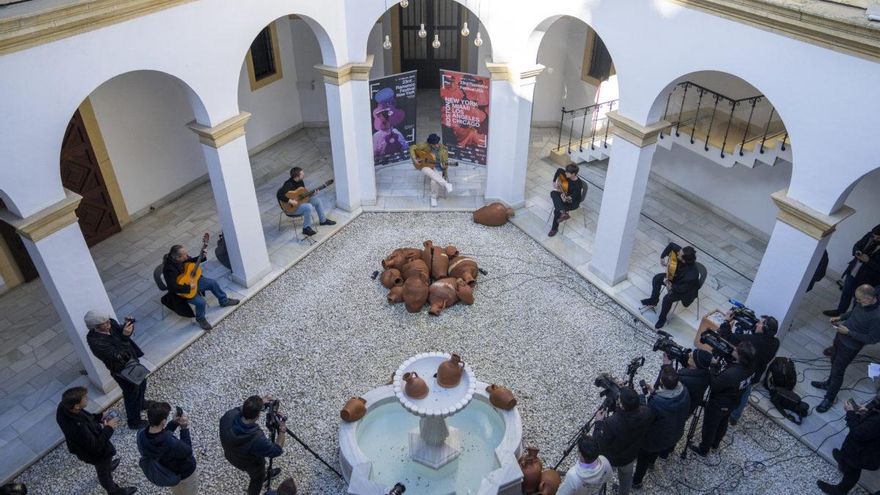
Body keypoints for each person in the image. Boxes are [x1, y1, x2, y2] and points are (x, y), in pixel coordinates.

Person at [55, 386, 136, 495]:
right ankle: (114, 491)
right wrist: (109, 428)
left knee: (104, 467)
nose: (87, 399)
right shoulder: (78, 427)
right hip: (96, 454)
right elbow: (96, 446)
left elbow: (84, 416)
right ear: (77, 405)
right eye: (85, 398)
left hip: (87, 446)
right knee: (104, 474)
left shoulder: (64, 407)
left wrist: (99, 417)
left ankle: (108, 466)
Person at [812, 284, 880, 412]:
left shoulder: (877, 316)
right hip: (840, 337)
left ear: (870, 298)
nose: (857, 302)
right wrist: (840, 317)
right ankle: (828, 384)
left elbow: (872, 339)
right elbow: (854, 312)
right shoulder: (862, 303)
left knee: (838, 371)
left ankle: (829, 398)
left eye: (860, 300)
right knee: (833, 361)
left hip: (850, 346)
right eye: (857, 299)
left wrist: (849, 332)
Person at [689, 341, 756, 457]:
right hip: (734, 401)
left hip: (719, 404)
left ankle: (703, 449)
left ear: (740, 356)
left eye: (736, 350)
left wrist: (714, 366)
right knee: (723, 423)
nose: (734, 349)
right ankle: (715, 444)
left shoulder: (731, 374)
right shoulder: (750, 366)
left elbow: (715, 385)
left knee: (710, 426)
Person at [84, 310, 149, 429]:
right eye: (105, 322)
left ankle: (141, 404)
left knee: (142, 382)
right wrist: (125, 337)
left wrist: (127, 326)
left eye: (108, 320)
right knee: (131, 393)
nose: (109, 322)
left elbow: (120, 333)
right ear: (96, 326)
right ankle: (134, 421)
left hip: (132, 362)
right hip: (121, 370)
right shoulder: (95, 342)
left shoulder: (111, 323)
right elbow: (118, 356)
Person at [632, 365, 690, 489]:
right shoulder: (684, 391)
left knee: (643, 457)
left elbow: (646, 418)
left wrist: (644, 399)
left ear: (662, 383)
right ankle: (652, 463)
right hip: (673, 434)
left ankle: (636, 482)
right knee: (658, 447)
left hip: (653, 440)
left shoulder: (656, 403)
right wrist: (654, 393)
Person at [716, 314, 780, 425]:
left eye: (760, 323)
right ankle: (735, 417)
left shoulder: (751, 340)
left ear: (764, 328)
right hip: (755, 376)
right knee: (744, 394)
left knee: (730, 392)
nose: (757, 324)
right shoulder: (775, 343)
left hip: (740, 373)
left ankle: (722, 412)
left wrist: (726, 321)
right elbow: (758, 340)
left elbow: (727, 337)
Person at [219, 395, 287, 495]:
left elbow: (241, 409)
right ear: (258, 416)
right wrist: (282, 430)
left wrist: (258, 403)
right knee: (257, 479)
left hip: (230, 455)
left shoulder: (228, 416)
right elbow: (276, 450)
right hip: (251, 464)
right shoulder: (256, 438)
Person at [162, 243, 239, 330]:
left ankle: (224, 301)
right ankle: (200, 319)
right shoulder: (169, 270)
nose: (187, 256)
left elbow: (191, 261)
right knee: (201, 303)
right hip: (183, 291)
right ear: (177, 258)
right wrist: (189, 287)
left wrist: (201, 257)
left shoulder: (182, 259)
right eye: (185, 255)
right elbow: (173, 287)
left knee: (212, 283)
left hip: (193, 281)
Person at [593, 387, 654, 495]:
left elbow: (600, 442)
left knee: (601, 479)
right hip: (629, 456)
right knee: (626, 480)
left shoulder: (611, 423)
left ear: (621, 405)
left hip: (611, 459)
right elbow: (641, 401)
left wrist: (598, 423)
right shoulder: (647, 413)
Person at [816, 394, 880, 494]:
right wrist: (867, 412)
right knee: (849, 456)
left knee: (854, 468)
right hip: (867, 445)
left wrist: (850, 413)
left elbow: (858, 433)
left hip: (864, 453)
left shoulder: (877, 421)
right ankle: (844, 460)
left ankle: (841, 490)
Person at [137, 402, 198, 494]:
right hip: (185, 473)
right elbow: (188, 450)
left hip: (169, 473)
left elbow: (160, 434)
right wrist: (184, 428)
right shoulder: (170, 442)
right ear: (163, 421)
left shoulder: (141, 434)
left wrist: (173, 423)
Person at [640, 243, 700, 329]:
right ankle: (654, 300)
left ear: (684, 260)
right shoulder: (682, 253)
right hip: (676, 277)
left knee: (667, 299)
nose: (678, 252)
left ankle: (662, 318)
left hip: (686, 291)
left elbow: (680, 289)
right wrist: (662, 257)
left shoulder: (691, 276)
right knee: (657, 278)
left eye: (679, 254)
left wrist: (668, 283)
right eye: (680, 251)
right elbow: (672, 245)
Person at [824, 224, 880, 317]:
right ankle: (840, 311)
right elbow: (857, 245)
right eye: (874, 236)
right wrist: (857, 251)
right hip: (854, 270)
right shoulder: (870, 235)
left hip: (869, 279)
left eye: (878, 238)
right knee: (846, 292)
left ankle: (852, 318)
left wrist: (868, 261)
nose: (875, 238)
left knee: (859, 300)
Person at [276, 166, 336, 237]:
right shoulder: (288, 184)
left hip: (300, 204)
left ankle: (323, 221)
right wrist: (290, 201)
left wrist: (312, 194)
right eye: (302, 174)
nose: (304, 175)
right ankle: (306, 228)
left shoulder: (300, 181)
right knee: (308, 207)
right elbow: (279, 195)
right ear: (297, 176)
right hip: (290, 208)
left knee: (317, 200)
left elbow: (303, 197)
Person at [410, 133, 453, 207]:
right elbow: (412, 147)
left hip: (438, 166)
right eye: (434, 144)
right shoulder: (425, 145)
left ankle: (433, 197)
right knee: (426, 170)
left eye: (437, 143)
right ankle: (446, 184)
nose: (436, 145)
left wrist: (444, 166)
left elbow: (445, 162)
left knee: (434, 182)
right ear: (430, 144)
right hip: (426, 165)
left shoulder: (444, 149)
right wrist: (414, 159)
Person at [548, 164, 586, 237]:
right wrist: (554, 181)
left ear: (573, 174)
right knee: (553, 193)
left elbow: (572, 198)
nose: (565, 173)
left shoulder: (578, 185)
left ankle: (554, 228)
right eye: (566, 172)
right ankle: (563, 212)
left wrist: (565, 199)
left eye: (567, 173)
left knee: (557, 210)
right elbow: (559, 170)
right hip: (565, 194)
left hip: (573, 202)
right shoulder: (566, 174)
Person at [677, 349, 713, 415]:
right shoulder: (706, 374)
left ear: (695, 363)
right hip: (689, 408)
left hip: (679, 411)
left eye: (692, 356)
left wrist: (667, 366)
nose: (689, 354)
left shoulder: (684, 379)